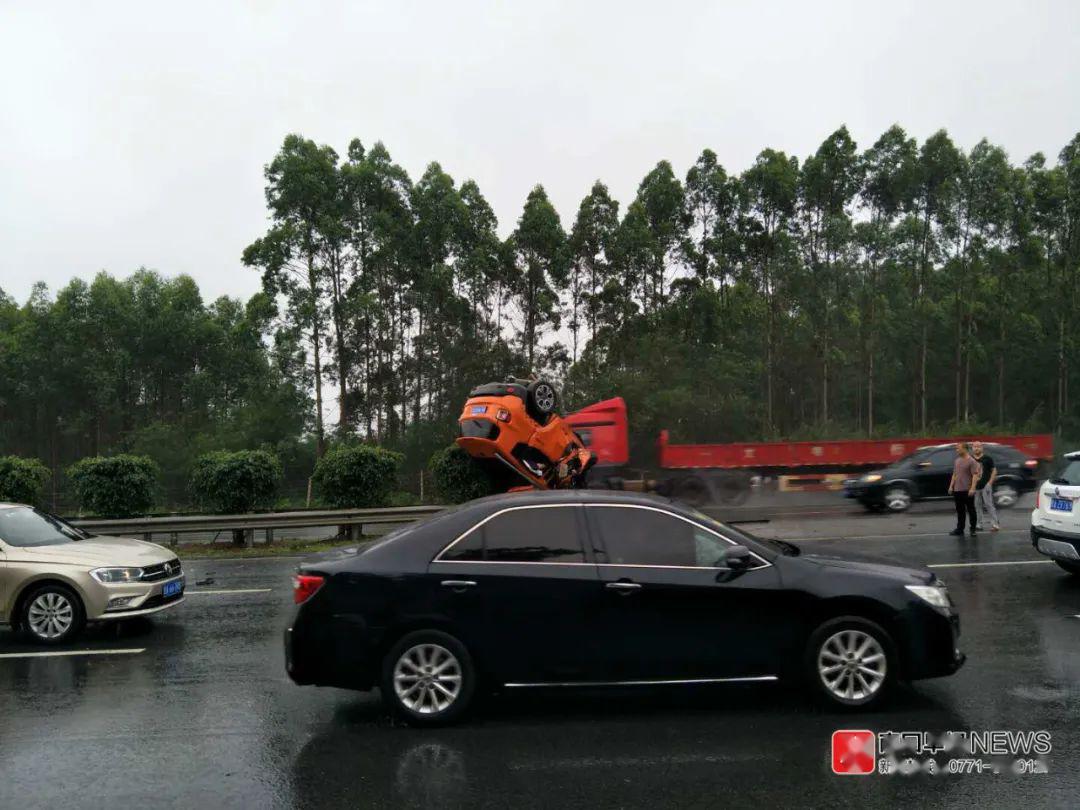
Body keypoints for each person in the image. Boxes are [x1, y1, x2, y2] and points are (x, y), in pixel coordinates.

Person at [947, 442, 981, 536]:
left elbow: (975, 475)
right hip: (957, 490)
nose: (956, 450)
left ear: (965, 449)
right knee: (960, 511)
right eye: (956, 448)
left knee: (971, 510)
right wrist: (951, 486)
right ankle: (960, 529)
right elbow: (954, 474)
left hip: (968, 489)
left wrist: (972, 488)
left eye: (958, 448)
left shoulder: (972, 461)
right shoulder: (957, 461)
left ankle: (973, 529)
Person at [972, 441, 1000, 531]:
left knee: (988, 505)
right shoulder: (970, 459)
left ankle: (995, 524)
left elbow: (994, 471)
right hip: (975, 487)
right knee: (977, 506)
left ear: (982, 448)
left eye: (978, 446)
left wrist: (990, 483)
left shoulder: (987, 458)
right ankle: (979, 524)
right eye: (975, 446)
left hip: (985, 486)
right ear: (972, 448)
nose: (976, 448)